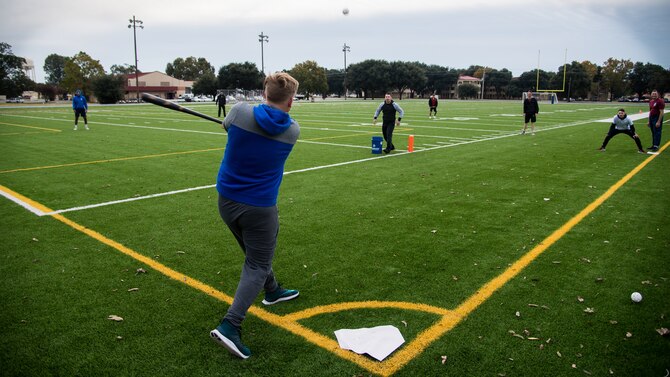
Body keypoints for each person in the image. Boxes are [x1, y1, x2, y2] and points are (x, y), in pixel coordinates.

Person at [210, 72, 301, 359]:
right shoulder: (292, 131)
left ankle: (272, 290)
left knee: (253, 255)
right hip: (260, 208)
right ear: (290, 101)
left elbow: (231, 126)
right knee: (257, 263)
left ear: (265, 93)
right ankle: (231, 324)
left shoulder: (237, 112)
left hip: (226, 201)